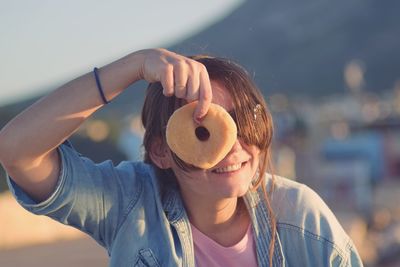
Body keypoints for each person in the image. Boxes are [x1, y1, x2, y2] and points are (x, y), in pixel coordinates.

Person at [0, 48, 363, 266]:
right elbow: (16, 152)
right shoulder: (132, 206)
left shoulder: (300, 218)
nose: (231, 144)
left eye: (243, 119)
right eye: (203, 129)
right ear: (160, 150)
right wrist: (135, 65)